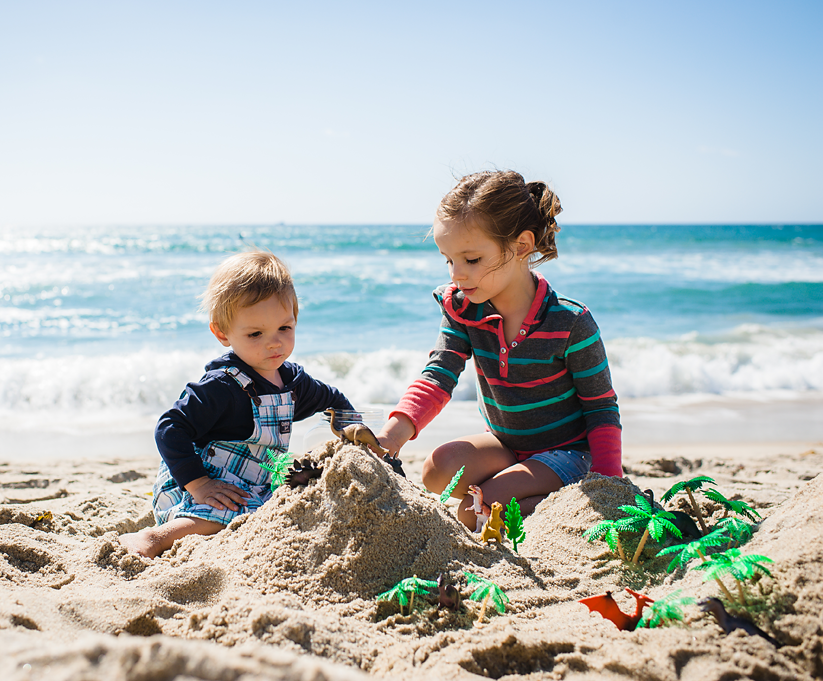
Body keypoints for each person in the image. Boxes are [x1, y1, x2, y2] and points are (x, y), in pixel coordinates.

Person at [375, 170, 622, 530]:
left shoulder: (570, 322)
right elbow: (440, 372)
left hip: (570, 453)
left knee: (475, 509)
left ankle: (563, 502)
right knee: (435, 470)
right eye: (448, 260)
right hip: (506, 444)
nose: (457, 274)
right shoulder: (464, 309)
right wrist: (392, 435)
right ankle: (532, 498)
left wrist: (608, 485)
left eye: (471, 260)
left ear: (521, 246)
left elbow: (601, 408)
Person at [120, 250, 353, 557]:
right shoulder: (222, 386)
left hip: (253, 483)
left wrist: (354, 432)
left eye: (285, 328)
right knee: (228, 516)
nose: (275, 342)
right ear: (222, 333)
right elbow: (169, 428)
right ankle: (155, 537)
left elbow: (336, 404)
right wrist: (199, 484)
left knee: (287, 504)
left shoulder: (294, 382)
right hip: (200, 485)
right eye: (256, 333)